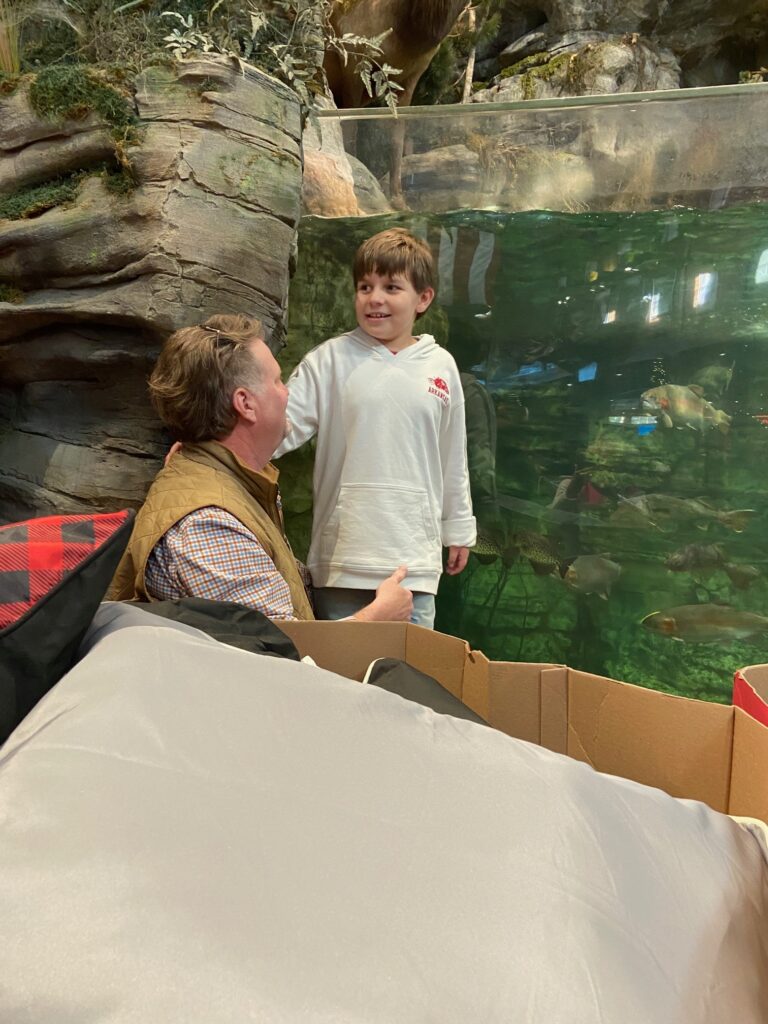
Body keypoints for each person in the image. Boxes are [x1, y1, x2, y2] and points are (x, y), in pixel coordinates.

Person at [108, 314, 413, 623]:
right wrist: (378, 617)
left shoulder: (229, 484)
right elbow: (283, 647)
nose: (286, 392)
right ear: (246, 404)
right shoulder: (209, 524)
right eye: (277, 381)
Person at [274, 228, 476, 629]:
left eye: (391, 287)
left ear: (423, 299)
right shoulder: (328, 360)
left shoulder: (441, 366)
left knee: (408, 667)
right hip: (343, 559)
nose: (374, 298)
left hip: (413, 562)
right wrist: (217, 449)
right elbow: (278, 427)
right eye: (365, 286)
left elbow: (452, 456)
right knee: (339, 664)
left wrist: (458, 528)